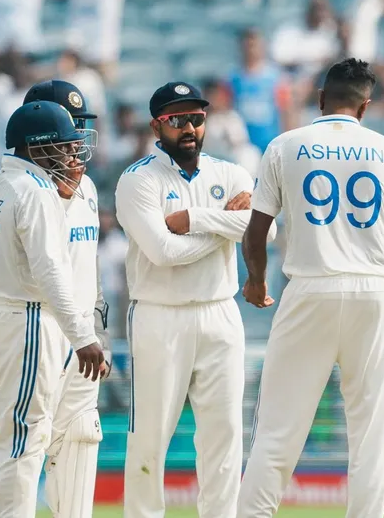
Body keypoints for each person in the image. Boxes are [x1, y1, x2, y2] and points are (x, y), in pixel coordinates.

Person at [238, 58, 384, 518]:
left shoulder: (285, 145)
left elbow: (255, 232)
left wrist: (257, 282)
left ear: (320, 99)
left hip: (311, 287)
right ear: (365, 107)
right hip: (375, 293)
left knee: (277, 430)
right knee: (369, 433)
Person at [115, 81, 275, 518]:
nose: (188, 127)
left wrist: (196, 220)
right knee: (149, 437)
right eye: (176, 119)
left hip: (220, 311)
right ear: (156, 126)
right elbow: (163, 252)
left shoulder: (230, 173)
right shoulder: (138, 180)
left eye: (196, 118)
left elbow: (267, 232)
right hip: (159, 315)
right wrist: (227, 226)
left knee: (224, 436)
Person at [0, 100, 104, 517]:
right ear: (37, 147)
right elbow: (49, 270)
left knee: (14, 434)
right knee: (24, 440)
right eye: (63, 145)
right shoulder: (36, 190)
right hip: (23, 318)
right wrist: (83, 337)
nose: (72, 153)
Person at [22, 80, 112, 518]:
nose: (76, 138)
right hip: (38, 330)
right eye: (69, 124)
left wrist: (94, 329)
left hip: (82, 340)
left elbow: (87, 267)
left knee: (81, 434)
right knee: (28, 441)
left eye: (80, 125)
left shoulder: (88, 188)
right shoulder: (25, 191)